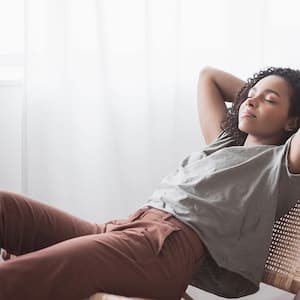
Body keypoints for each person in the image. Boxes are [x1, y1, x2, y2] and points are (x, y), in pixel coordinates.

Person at [1, 66, 300, 300]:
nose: (251, 99)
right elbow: (208, 75)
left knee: (22, 276)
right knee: (7, 208)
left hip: (161, 251)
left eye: (269, 99)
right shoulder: (221, 144)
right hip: (126, 229)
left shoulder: (281, 165)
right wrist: (262, 95)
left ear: (291, 122)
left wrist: (288, 98)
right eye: (251, 92)